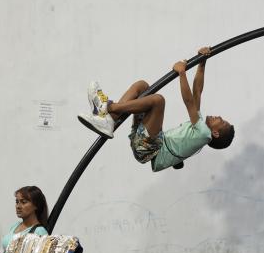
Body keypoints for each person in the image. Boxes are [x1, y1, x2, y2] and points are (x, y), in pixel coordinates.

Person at [77, 46, 236, 172]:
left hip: (150, 149)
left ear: (215, 133)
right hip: (148, 141)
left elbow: (189, 101)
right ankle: (109, 119)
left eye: (220, 121)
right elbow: (197, 92)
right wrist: (202, 63)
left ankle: (108, 107)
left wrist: (181, 72)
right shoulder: (200, 128)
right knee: (143, 87)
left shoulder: (203, 133)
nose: (218, 116)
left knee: (158, 101)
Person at [0, 186, 50, 253]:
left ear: (36, 206)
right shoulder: (15, 226)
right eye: (17, 202)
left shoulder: (39, 232)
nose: (18, 206)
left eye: (23, 202)